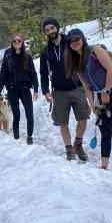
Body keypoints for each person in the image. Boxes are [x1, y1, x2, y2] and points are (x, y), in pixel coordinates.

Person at [70, 38, 112, 170]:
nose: (75, 43)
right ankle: (104, 164)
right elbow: (87, 88)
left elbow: (111, 71)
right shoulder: (78, 65)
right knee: (105, 129)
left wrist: (106, 91)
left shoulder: (96, 51)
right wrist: (92, 105)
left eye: (77, 39)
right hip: (98, 96)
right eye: (71, 42)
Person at [39, 18, 90, 161]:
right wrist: (45, 90)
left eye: (52, 28)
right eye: (47, 30)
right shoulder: (46, 52)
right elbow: (43, 72)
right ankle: (69, 149)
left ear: (57, 28)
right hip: (59, 90)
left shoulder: (70, 41)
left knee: (83, 117)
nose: (50, 31)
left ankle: (78, 144)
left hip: (76, 87)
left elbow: (83, 53)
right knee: (63, 122)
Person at [0, 33, 38, 144]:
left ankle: (29, 136)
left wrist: (36, 89)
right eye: (14, 41)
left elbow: (33, 73)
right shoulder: (8, 56)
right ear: (12, 43)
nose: (16, 43)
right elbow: (3, 72)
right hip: (12, 89)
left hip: (25, 88)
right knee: (16, 114)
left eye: (19, 41)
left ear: (22, 42)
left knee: (29, 113)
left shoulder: (27, 56)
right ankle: (16, 136)